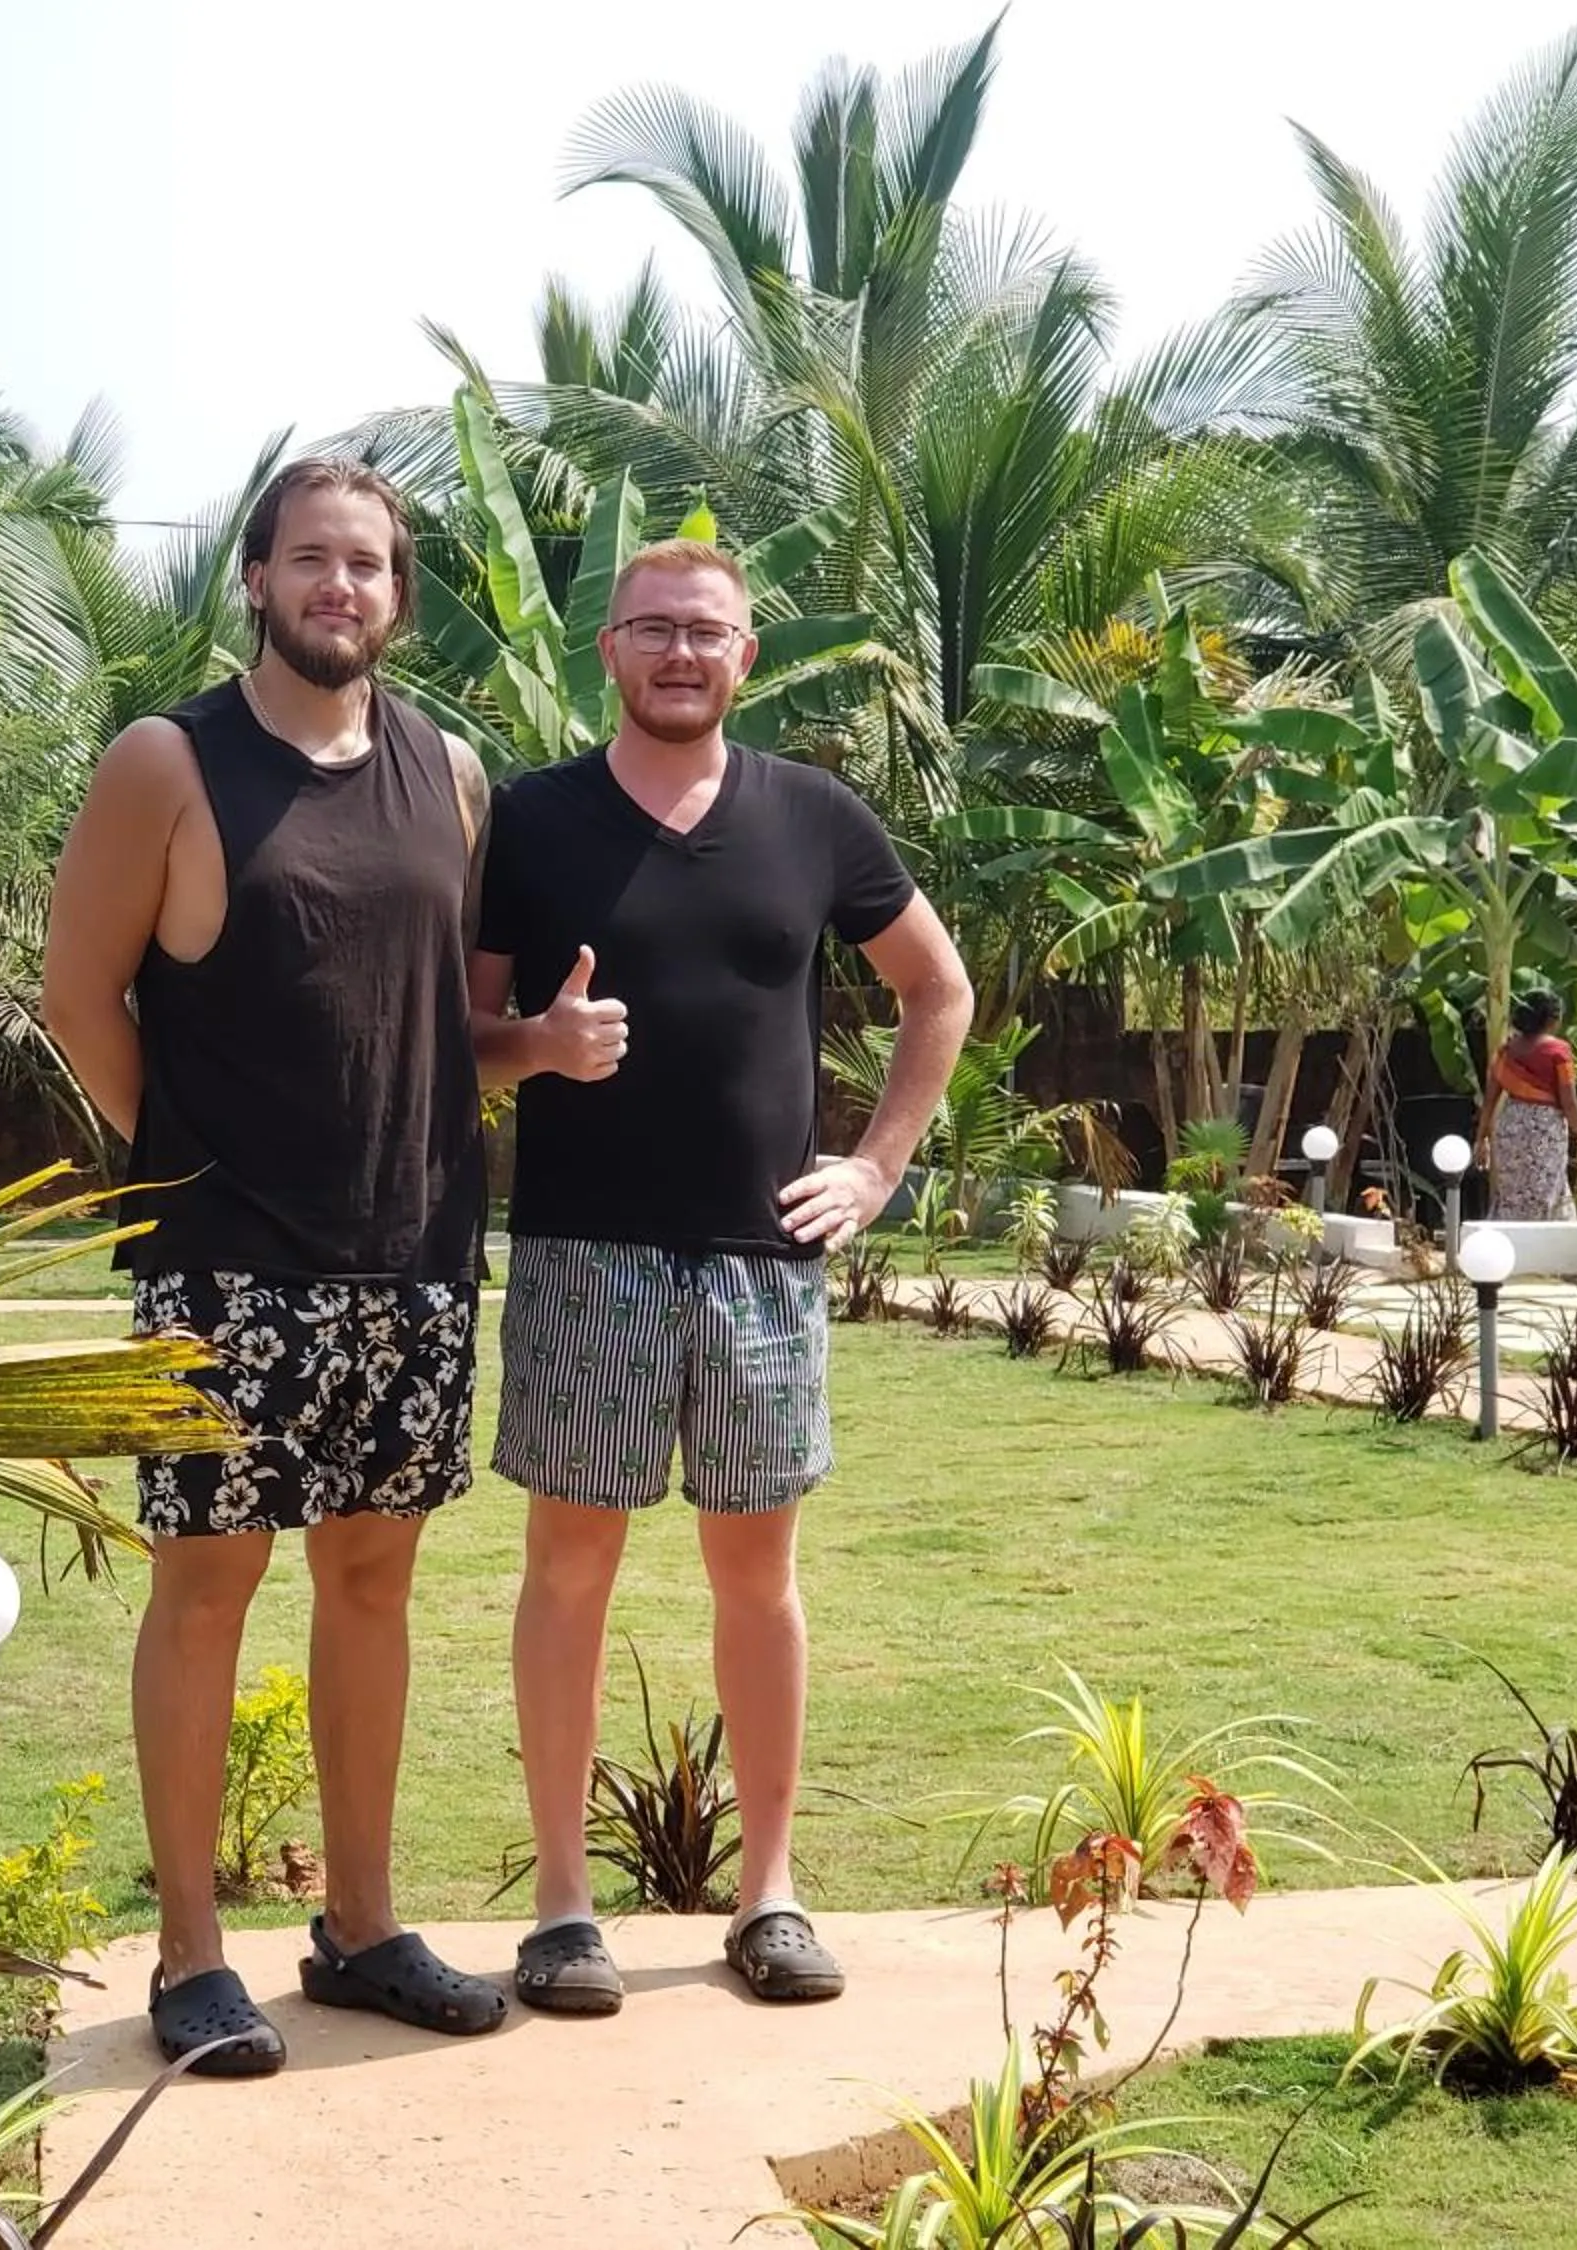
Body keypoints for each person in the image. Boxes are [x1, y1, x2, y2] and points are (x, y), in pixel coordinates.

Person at [41, 457, 505, 2078]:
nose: (342, 589)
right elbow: (81, 996)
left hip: (418, 1259)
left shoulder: (451, 774)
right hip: (225, 1267)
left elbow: (432, 1022)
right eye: (312, 560)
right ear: (255, 579)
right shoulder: (168, 764)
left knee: (374, 1583)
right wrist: (180, 1165)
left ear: (401, 594)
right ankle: (189, 1958)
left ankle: (363, 1929)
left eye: (370, 566)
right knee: (207, 1588)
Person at [470, 538, 974, 2015]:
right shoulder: (533, 819)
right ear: (609, 652)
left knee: (760, 1576)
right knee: (570, 1567)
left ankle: (771, 1892)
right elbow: (463, 1023)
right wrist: (537, 1050)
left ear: (747, 656)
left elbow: (935, 989)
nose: (681, 653)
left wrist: (877, 1166)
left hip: (763, 1263)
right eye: (653, 630)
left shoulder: (813, 816)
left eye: (708, 632)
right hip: (585, 1253)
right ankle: (563, 1907)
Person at [1475, 990, 1577, 1222]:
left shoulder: (1506, 1051)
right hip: (1545, 1130)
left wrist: (1481, 1139)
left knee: (1512, 1192)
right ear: (1552, 1020)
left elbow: (1490, 1101)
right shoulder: (1559, 1051)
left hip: (1510, 1127)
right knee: (1546, 1189)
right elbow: (1568, 1102)